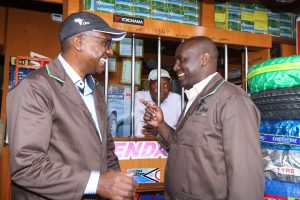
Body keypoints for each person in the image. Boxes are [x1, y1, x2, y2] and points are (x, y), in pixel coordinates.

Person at [7, 11, 138, 200]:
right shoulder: (35, 88)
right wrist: (97, 183)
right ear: (78, 42)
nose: (110, 51)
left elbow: (106, 149)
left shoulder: (96, 89)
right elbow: (27, 167)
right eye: (105, 42)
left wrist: (117, 184)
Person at [141, 36, 264, 199]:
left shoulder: (232, 100)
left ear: (204, 59)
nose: (175, 67)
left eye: (180, 60)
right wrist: (160, 124)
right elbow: (182, 146)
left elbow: (245, 175)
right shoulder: (196, 96)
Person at [134, 69, 181, 137]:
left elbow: (181, 132)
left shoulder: (177, 99)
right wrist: (164, 132)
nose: (161, 89)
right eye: (156, 85)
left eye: (165, 85)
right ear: (148, 84)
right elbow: (139, 132)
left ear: (170, 86)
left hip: (170, 146)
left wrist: (159, 131)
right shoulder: (140, 97)